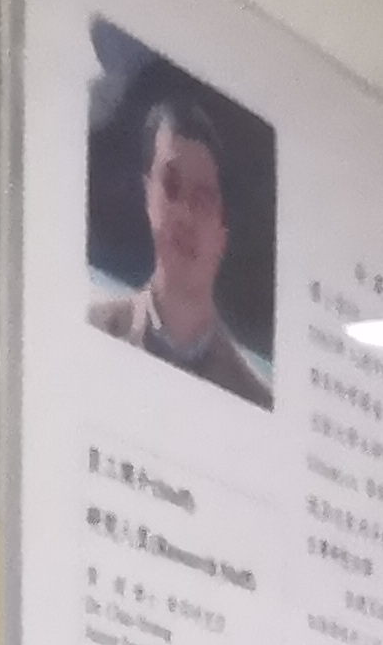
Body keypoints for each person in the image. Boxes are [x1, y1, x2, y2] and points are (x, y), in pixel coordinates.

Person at [88, 87, 271, 406]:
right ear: (148, 194)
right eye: (171, 187)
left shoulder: (254, 398)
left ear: (223, 229)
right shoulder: (96, 329)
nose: (185, 215)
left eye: (202, 199)